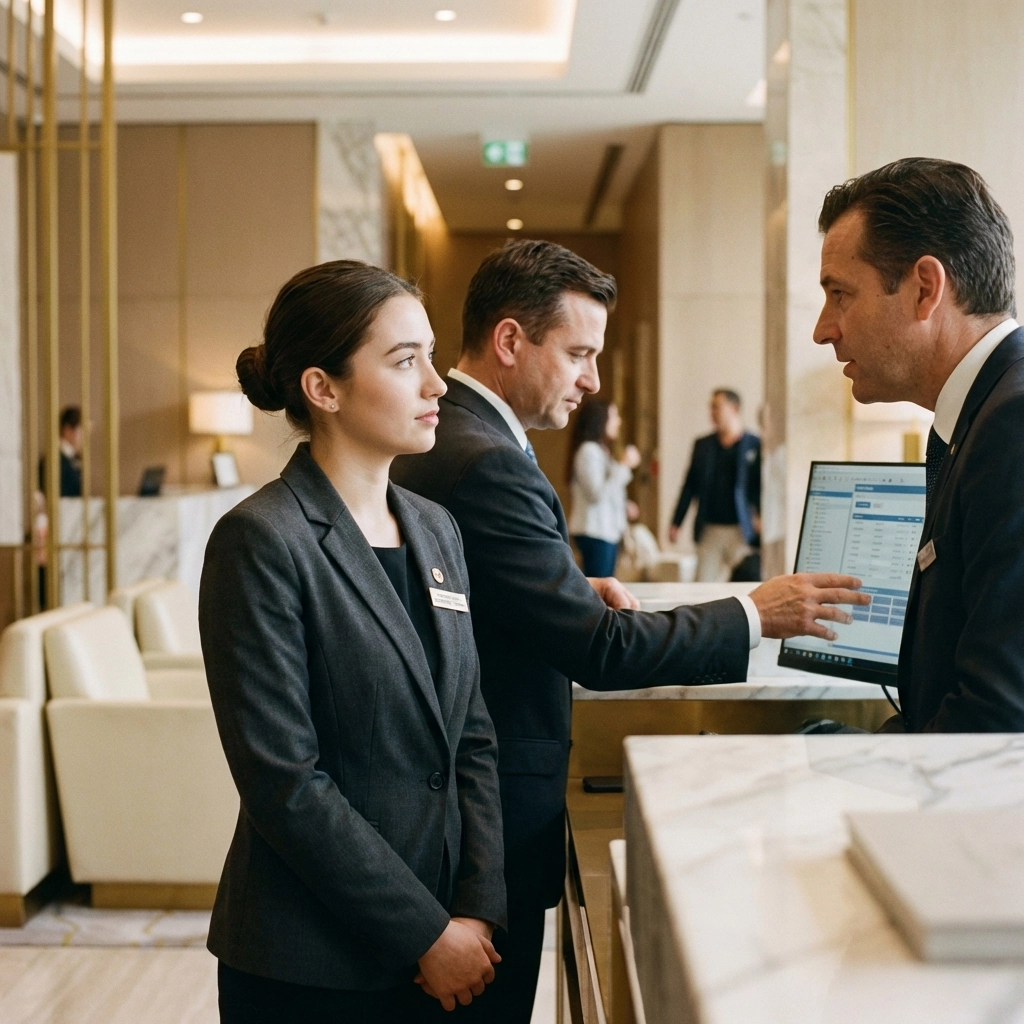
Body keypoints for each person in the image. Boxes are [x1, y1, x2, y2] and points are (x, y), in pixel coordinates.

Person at [391, 238, 867, 1022]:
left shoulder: (460, 441)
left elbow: (467, 598)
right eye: (579, 353)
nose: (594, 380)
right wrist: (757, 611)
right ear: (511, 341)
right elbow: (601, 652)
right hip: (482, 831)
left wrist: (566, 590)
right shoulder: (487, 461)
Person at [199, 261, 506, 1023]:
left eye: (430, 357)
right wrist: (424, 933)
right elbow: (285, 782)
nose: (437, 384)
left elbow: (470, 732)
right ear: (322, 388)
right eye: (406, 362)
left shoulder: (436, 527)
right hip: (310, 965)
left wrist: (476, 911)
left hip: (450, 948)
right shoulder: (261, 541)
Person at [815, 157, 1024, 733]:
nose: (823, 328)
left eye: (840, 294)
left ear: (925, 289)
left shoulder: (1013, 423)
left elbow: (997, 714)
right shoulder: (981, 416)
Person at [668, 389, 761, 582]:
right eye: (711, 407)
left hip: (741, 530)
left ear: (734, 408)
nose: (712, 412)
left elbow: (759, 487)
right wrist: (676, 522)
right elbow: (689, 486)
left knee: (749, 582)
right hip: (709, 528)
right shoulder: (703, 445)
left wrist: (760, 516)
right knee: (702, 587)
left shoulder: (754, 444)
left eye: (717, 407)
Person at [567, 400, 640, 577]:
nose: (619, 421)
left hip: (605, 531)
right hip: (595, 531)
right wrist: (623, 465)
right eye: (614, 416)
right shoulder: (588, 451)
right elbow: (596, 494)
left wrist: (624, 505)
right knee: (599, 589)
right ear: (600, 420)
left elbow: (607, 493)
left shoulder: (600, 450)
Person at [38, 405, 84, 497]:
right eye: (83, 431)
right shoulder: (55, 460)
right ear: (68, 430)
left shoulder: (69, 458)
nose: (84, 438)